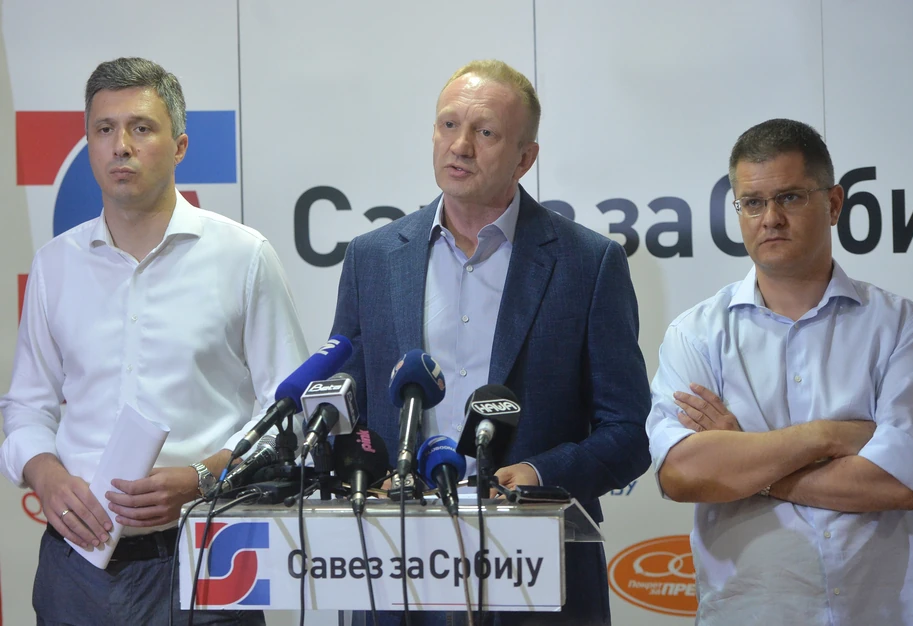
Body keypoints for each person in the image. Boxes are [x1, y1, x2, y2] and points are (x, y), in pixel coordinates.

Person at [331, 59, 651, 625]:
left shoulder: (587, 263)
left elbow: (627, 432)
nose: (460, 146)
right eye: (448, 125)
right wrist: (365, 470)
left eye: (485, 132)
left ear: (525, 158)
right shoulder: (372, 258)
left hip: (535, 572)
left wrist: (539, 474)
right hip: (395, 567)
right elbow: (346, 410)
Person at [0, 57, 308, 625]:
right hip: (76, 563)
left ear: (180, 146)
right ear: (89, 145)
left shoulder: (243, 257)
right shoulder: (54, 266)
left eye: (141, 128)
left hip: (211, 550)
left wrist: (202, 477)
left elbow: (289, 415)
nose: (121, 146)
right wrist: (46, 475)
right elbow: (26, 406)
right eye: (104, 129)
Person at [646, 118, 913, 624]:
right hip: (753, 611)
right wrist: (827, 436)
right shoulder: (695, 334)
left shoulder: (900, 326)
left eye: (790, 197)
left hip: (883, 611)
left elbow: (896, 484)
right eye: (752, 203)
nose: (770, 219)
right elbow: (681, 474)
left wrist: (745, 460)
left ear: (834, 203)